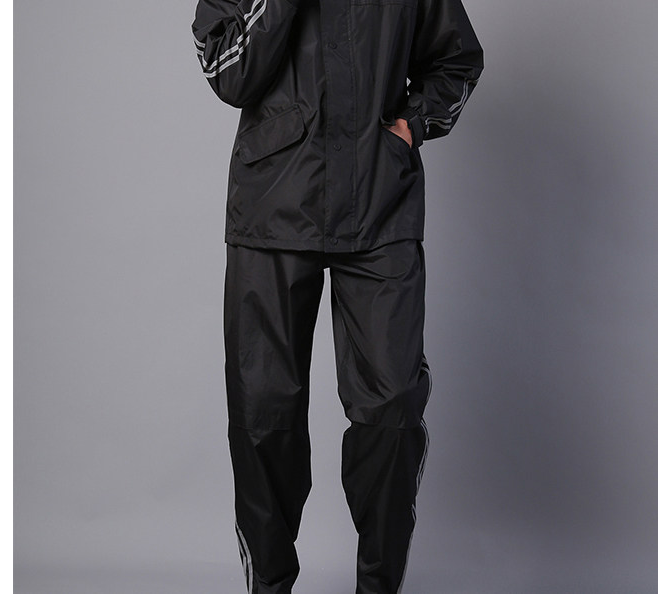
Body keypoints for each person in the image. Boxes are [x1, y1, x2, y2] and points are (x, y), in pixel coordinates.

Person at [190, 0, 484, 591]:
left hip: (380, 203)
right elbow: (229, 72)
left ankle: (378, 586)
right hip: (272, 207)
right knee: (263, 412)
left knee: (393, 406)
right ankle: (270, 585)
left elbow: (457, 59)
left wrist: (412, 124)